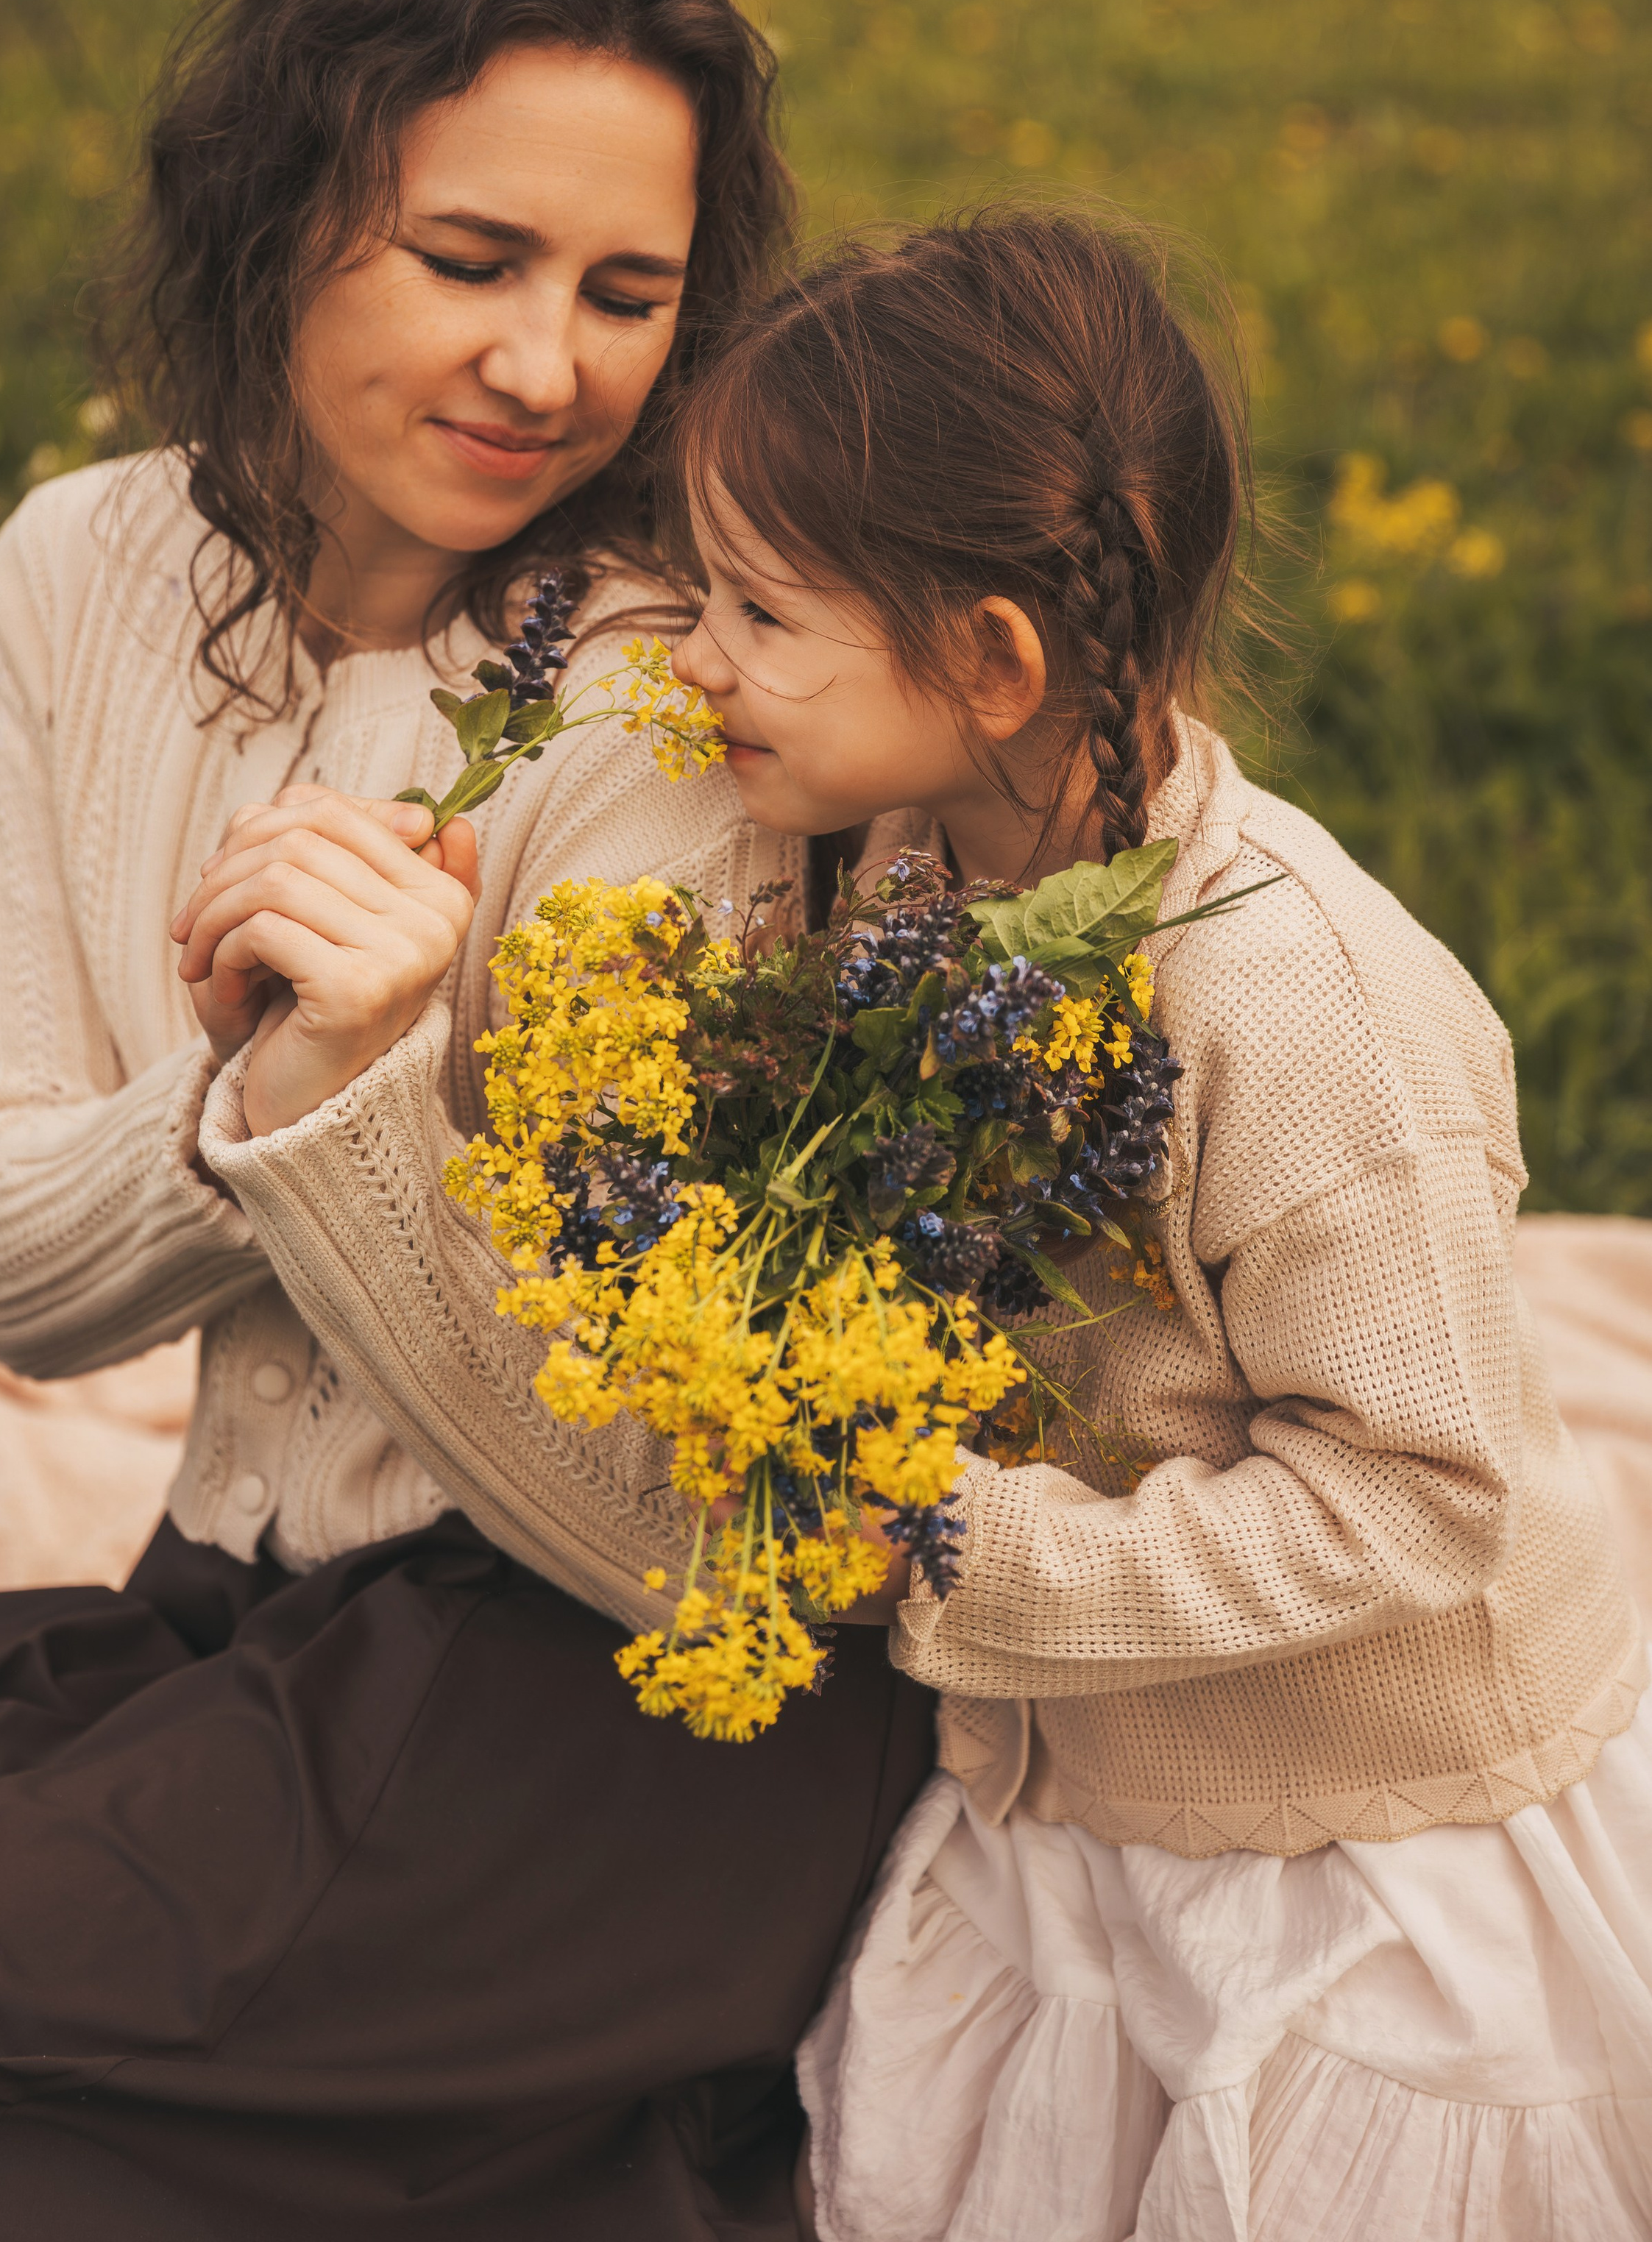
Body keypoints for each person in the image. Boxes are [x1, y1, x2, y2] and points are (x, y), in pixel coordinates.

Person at [0, 0, 934, 2242]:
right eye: (469, 259)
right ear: (278, 210)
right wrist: (250, 1103)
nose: (549, 368)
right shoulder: (78, 575)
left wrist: (370, 1106)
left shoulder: (681, 694)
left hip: (603, 1692)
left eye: (629, 293)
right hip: (240, 1604)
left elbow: (656, 1500)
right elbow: (0, 1259)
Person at [659, 209, 1652, 2242]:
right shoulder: (903, 877)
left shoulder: (1299, 1009)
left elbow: (1423, 1494)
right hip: (1085, 1768)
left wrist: (962, 1546)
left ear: (992, 661)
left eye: (755, 608)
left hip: (1353, 1829)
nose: (694, 658)